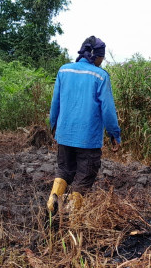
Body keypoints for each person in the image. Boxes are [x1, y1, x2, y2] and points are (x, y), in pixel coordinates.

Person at [46, 35, 121, 216]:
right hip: (88, 140)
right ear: (97, 56)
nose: (103, 61)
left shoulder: (63, 71)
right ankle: (70, 217)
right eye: (103, 57)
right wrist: (114, 134)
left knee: (64, 170)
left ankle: (51, 207)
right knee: (84, 176)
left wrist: (53, 126)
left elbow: (55, 103)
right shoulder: (100, 76)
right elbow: (108, 110)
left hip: (64, 135)